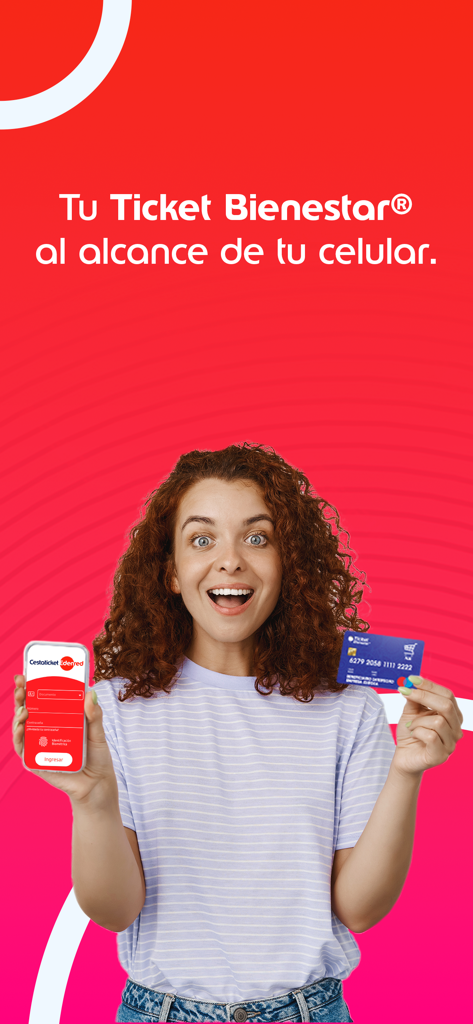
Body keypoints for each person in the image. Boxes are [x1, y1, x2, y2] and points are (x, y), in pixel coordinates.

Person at [13, 443, 463, 1023]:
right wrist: (92, 798)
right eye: (202, 539)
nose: (230, 561)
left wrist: (406, 773)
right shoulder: (112, 710)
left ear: (288, 563)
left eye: (257, 537)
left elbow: (360, 908)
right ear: (171, 572)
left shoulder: (348, 709)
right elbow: (113, 911)